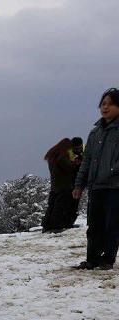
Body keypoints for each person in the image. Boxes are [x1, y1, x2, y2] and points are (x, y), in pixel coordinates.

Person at [74, 88, 119, 270]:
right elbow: (87, 160)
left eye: (110, 103)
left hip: (116, 185)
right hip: (96, 185)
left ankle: (107, 259)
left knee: (112, 224)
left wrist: (113, 169)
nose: (105, 107)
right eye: (103, 104)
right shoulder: (95, 133)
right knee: (94, 225)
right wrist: (79, 184)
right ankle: (91, 258)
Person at [42, 138, 82, 233]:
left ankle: (47, 225)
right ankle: (57, 225)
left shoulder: (52, 156)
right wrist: (76, 163)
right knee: (60, 206)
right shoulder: (62, 156)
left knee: (52, 205)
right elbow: (69, 168)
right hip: (65, 185)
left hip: (55, 185)